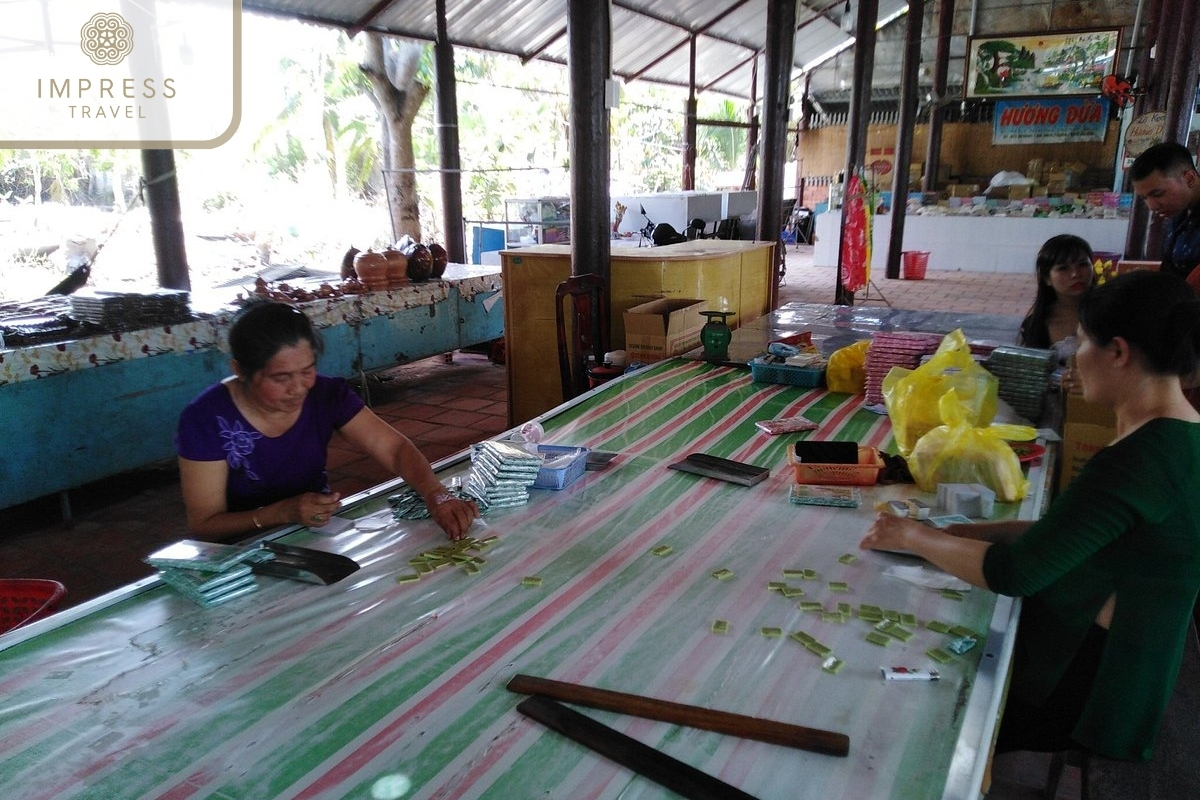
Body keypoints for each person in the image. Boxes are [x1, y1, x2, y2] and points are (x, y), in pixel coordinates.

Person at [861, 270, 1200, 762]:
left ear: (1119, 352)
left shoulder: (1141, 460)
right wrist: (958, 533)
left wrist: (913, 536)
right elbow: (1078, 531)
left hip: (1086, 682)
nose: (1073, 361)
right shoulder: (1178, 435)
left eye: (1082, 343)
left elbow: (1015, 572)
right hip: (1123, 654)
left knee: (913, 711)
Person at [176, 301, 478, 541]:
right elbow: (205, 524)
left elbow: (393, 449)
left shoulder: (325, 394)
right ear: (240, 371)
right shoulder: (206, 419)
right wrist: (280, 513)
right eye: (280, 378)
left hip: (314, 533)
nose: (298, 387)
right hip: (240, 553)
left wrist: (436, 495)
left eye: (307, 370)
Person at [1017, 234, 1095, 358]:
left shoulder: (1110, 312)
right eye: (1063, 268)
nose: (1075, 274)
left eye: (1082, 264)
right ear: (1047, 278)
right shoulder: (1037, 326)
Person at [1130, 142, 1200, 279]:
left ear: (1189, 179)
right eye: (1144, 197)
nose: (1152, 206)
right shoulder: (1180, 211)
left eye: (1157, 194)